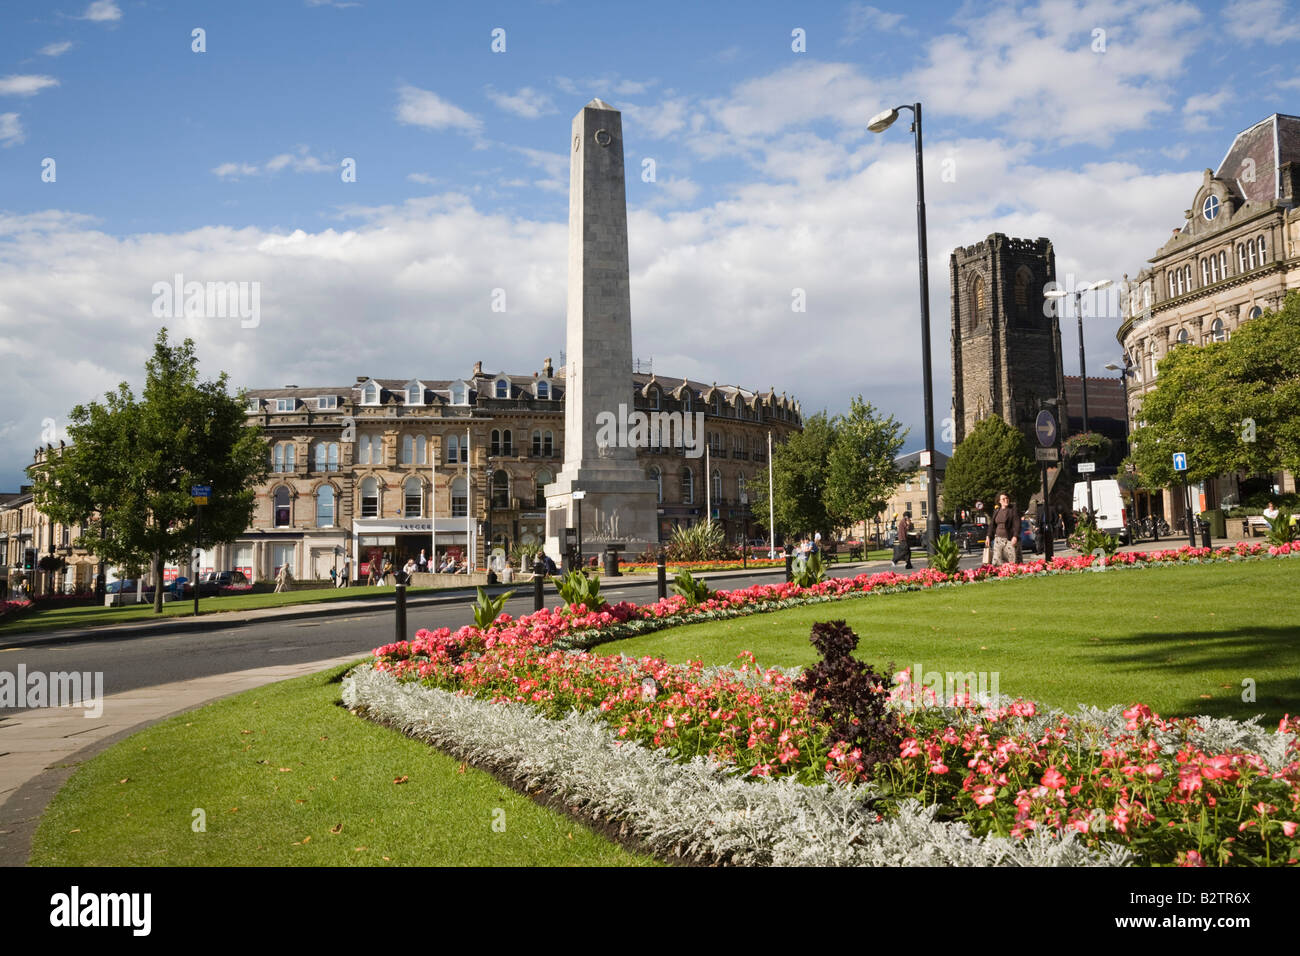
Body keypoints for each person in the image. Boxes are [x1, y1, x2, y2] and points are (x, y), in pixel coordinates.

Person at [991, 493, 1020, 566]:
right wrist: (988, 536)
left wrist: (1015, 536)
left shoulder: (1013, 510)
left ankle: (1013, 575)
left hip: (1009, 539)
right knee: (997, 561)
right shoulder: (997, 510)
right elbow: (992, 525)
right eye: (1003, 499)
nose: (1006, 500)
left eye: (1007, 498)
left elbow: (1017, 524)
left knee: (1012, 561)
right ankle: (999, 575)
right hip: (998, 539)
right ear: (999, 501)